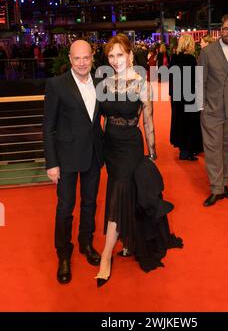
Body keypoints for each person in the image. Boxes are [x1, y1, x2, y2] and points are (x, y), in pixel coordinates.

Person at [94, 34, 183, 287]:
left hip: (130, 148)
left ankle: (105, 256)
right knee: (123, 193)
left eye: (120, 54)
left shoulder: (141, 84)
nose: (115, 60)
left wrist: (152, 154)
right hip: (110, 147)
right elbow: (98, 118)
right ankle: (129, 240)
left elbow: (148, 122)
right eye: (111, 56)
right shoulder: (105, 83)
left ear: (130, 55)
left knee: (117, 194)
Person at [43, 40, 104, 284]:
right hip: (66, 159)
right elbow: (48, 127)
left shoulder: (100, 83)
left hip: (93, 155)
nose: (81, 63)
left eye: (86, 58)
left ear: (92, 58)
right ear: (70, 59)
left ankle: (86, 244)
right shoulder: (57, 85)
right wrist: (51, 163)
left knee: (90, 204)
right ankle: (63, 254)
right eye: (77, 58)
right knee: (65, 208)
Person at [198, 13, 228, 207]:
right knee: (212, 150)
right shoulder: (207, 52)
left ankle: (224, 182)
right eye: (226, 28)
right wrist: (201, 107)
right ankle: (216, 188)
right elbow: (199, 80)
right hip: (212, 109)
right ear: (221, 29)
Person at [169, 34, 203, 160]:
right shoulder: (191, 59)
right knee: (190, 123)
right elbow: (196, 79)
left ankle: (183, 150)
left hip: (176, 96)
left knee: (179, 122)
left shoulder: (174, 58)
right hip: (189, 96)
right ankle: (188, 150)